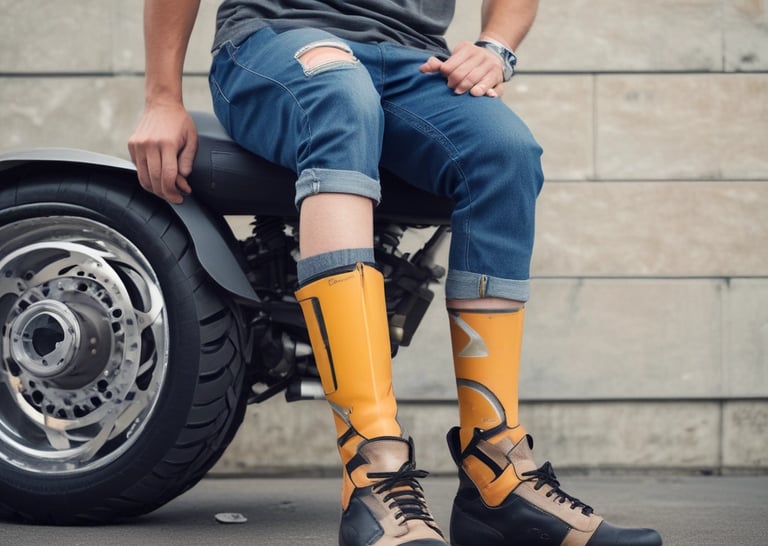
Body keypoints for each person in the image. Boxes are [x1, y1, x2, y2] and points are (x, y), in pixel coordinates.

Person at [129, 1, 662, 545]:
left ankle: (497, 478)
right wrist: (162, 97)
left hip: (411, 60)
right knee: (338, 94)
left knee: (506, 152)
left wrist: (495, 45)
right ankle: (373, 472)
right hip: (275, 43)